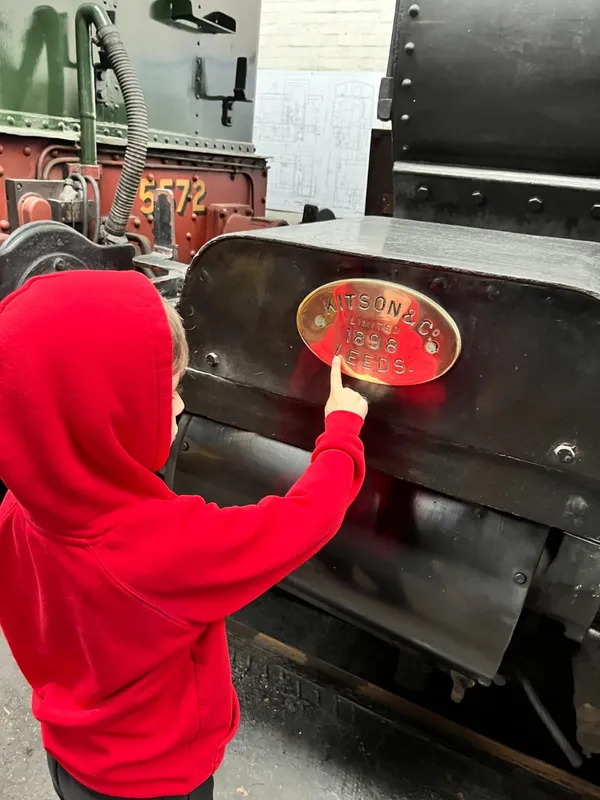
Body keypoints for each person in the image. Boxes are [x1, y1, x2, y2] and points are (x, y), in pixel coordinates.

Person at [0, 269, 368, 800]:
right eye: (166, 390)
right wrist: (342, 431)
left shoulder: (18, 509)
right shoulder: (160, 547)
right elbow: (304, 520)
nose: (178, 405)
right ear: (101, 413)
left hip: (71, 759)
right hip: (158, 782)